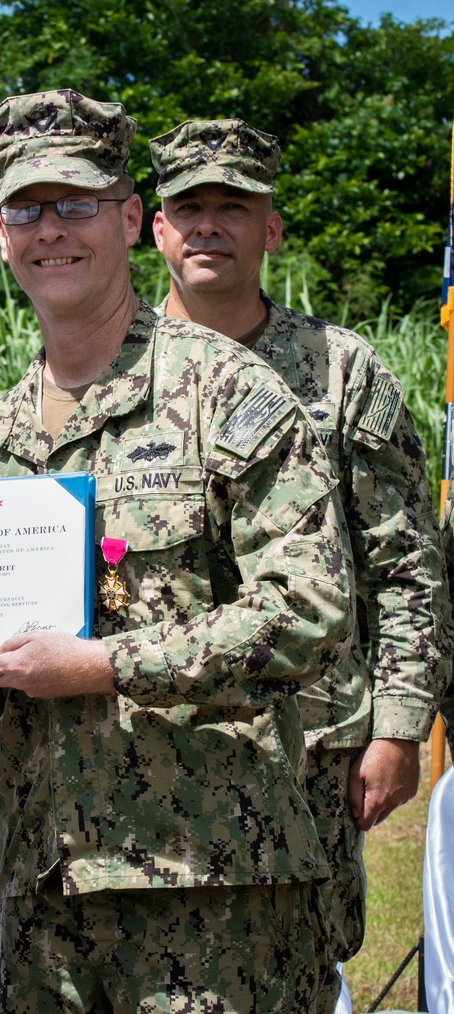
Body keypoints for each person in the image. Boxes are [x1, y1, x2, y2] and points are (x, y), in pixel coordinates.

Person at [0, 86, 355, 1013]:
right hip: (47, 900)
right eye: (25, 208)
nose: (51, 230)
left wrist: (99, 666)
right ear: (2, 234)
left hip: (209, 886)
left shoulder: (227, 393)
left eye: (76, 203)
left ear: (130, 219)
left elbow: (309, 610)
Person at [149, 118, 452, 1013]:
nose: (209, 226)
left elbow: (404, 562)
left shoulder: (340, 368)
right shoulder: (107, 366)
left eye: (233, 207)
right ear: (155, 227)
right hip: (142, 749)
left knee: (296, 972)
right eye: (189, 207)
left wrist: (398, 725)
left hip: (307, 747)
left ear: (270, 229)